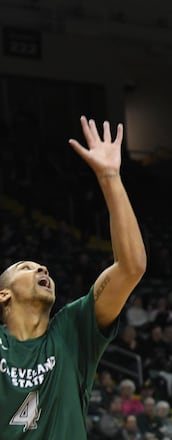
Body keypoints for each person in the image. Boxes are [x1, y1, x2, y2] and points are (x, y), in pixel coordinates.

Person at [0, 116, 147, 439]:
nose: (42, 269)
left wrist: (110, 178)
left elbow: (131, 267)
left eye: (43, 267)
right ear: (4, 295)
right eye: (26, 267)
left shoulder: (71, 330)